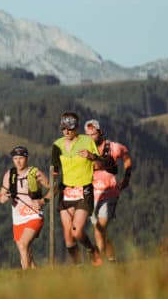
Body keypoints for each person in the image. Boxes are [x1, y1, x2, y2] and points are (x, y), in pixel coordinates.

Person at [51, 112, 101, 265]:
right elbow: (55, 168)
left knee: (76, 230)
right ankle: (78, 265)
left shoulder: (87, 141)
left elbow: (99, 163)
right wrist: (53, 175)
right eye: (63, 129)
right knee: (68, 235)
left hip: (84, 190)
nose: (66, 132)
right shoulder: (57, 145)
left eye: (70, 129)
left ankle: (92, 250)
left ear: (77, 128)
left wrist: (91, 156)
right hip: (66, 191)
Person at [85, 119, 134, 262]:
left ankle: (99, 260)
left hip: (109, 192)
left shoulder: (113, 147)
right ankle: (111, 259)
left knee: (100, 228)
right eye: (87, 135)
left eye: (93, 134)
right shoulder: (84, 151)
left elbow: (126, 157)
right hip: (91, 194)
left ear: (100, 132)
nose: (90, 138)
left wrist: (127, 177)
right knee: (99, 230)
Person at [0, 146, 51, 270]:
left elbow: (53, 188)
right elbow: (0, 197)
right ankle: (37, 280)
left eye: (21, 158)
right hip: (17, 218)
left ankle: (25, 278)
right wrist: (4, 197)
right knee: (27, 253)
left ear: (26, 158)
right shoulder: (9, 175)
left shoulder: (34, 172)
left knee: (22, 245)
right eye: (15, 158)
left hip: (34, 215)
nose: (18, 161)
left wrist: (43, 201)